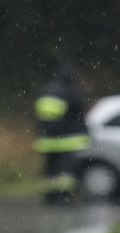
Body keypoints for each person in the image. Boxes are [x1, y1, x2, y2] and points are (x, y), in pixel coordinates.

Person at [33, 64, 90, 204]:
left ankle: (49, 196)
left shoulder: (43, 92)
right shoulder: (70, 93)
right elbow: (81, 112)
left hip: (47, 141)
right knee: (66, 172)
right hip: (67, 141)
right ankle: (63, 196)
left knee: (50, 170)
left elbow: (38, 116)